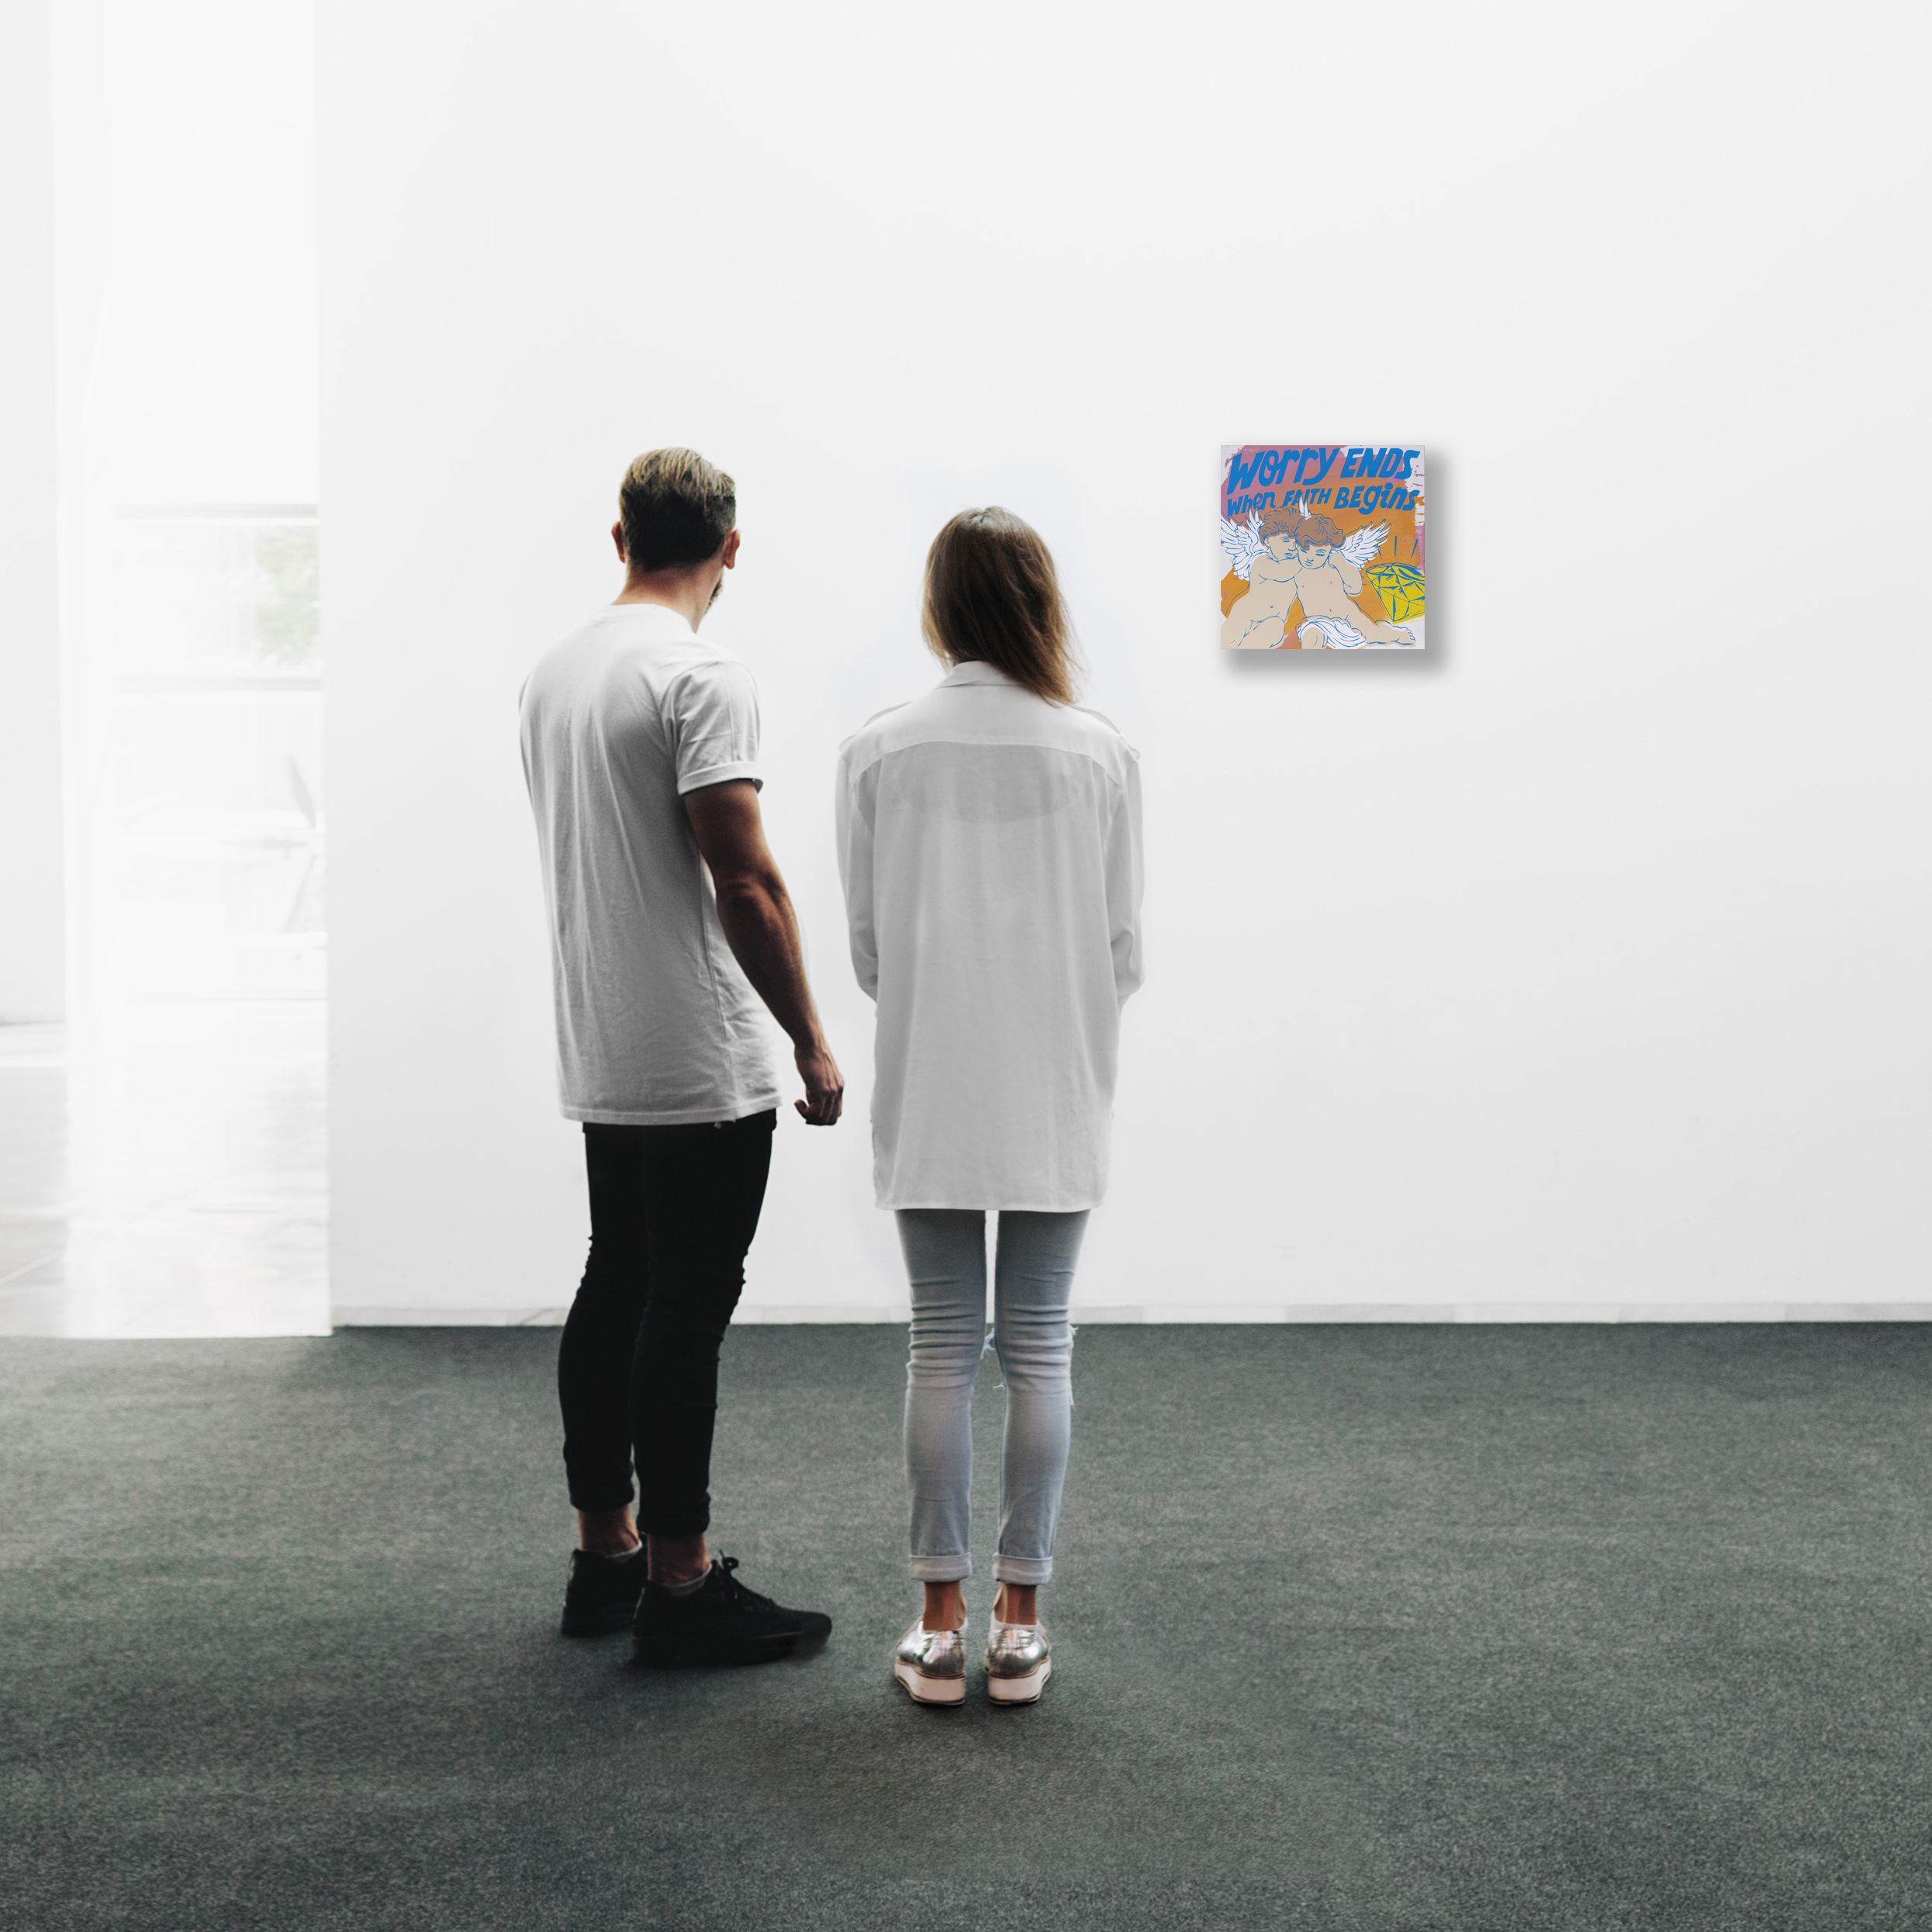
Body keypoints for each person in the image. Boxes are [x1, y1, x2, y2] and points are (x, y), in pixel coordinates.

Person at [519, 448, 843, 1668]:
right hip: (699, 1050)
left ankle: (606, 1558)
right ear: (730, 547)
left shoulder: (556, 673)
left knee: (617, 1281)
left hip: (604, 1034)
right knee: (686, 1307)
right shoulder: (701, 674)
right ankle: (683, 1583)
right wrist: (810, 1039)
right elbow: (744, 881)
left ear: (621, 538)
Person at [835, 506, 1145, 1706]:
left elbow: (870, 950)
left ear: (939, 607)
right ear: (1040, 602)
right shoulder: (1099, 751)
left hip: (934, 1080)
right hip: (1055, 1081)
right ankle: (1022, 1620)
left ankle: (938, 1622)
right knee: (1040, 1345)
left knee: (941, 1347)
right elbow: (1122, 950)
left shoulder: (878, 750)